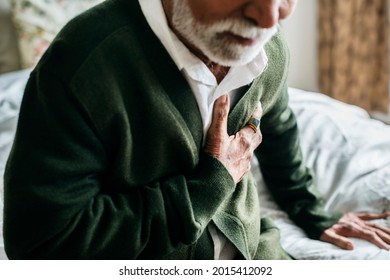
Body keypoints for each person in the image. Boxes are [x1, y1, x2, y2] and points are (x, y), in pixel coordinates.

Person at [3, 0, 390, 260]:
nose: (271, 18)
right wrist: (209, 185)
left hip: (257, 251)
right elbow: (41, 245)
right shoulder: (80, 64)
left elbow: (280, 126)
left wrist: (312, 212)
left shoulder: (270, 50)